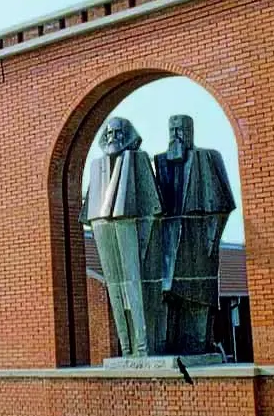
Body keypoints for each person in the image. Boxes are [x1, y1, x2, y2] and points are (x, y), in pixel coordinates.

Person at [81, 117, 166, 357]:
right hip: (101, 221)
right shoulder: (97, 165)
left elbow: (152, 206)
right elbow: (91, 205)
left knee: (133, 282)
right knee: (115, 284)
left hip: (128, 219)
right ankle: (127, 347)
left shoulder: (137, 159)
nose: (112, 138)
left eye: (117, 133)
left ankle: (142, 347)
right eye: (107, 133)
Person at [154, 115, 235, 354]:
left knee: (198, 296)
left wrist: (212, 236)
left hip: (199, 236)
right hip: (168, 239)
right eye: (172, 129)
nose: (176, 134)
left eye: (180, 129)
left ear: (190, 131)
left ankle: (197, 344)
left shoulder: (207, 157)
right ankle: (172, 344)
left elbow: (222, 203)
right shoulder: (160, 162)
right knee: (168, 295)